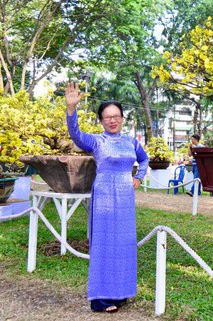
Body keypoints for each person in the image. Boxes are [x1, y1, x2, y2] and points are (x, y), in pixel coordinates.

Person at [65, 82, 149, 313]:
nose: (112, 120)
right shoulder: (96, 141)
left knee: (123, 244)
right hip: (103, 196)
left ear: (122, 118)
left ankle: (120, 293)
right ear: (101, 121)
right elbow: (76, 135)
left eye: (116, 116)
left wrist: (139, 177)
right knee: (103, 245)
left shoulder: (131, 142)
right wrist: (71, 109)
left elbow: (144, 159)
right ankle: (101, 299)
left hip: (124, 198)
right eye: (107, 117)